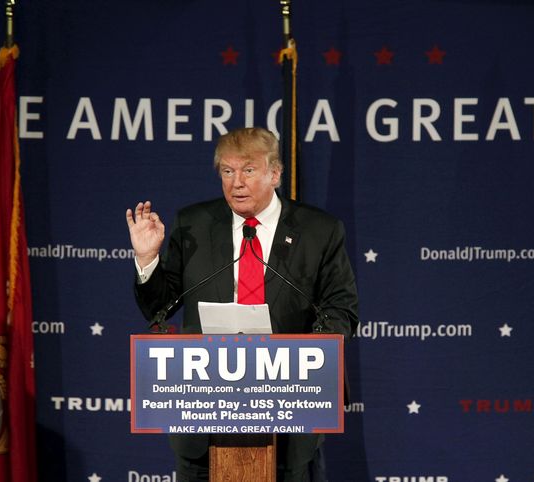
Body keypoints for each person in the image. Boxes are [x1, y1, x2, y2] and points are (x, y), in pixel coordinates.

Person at [126, 127, 359, 482]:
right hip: (203, 415)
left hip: (288, 414)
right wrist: (147, 260)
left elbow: (341, 308)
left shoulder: (319, 230)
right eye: (228, 171)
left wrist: (312, 353)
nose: (237, 183)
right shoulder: (194, 224)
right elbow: (159, 305)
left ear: (275, 173)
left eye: (249, 170)